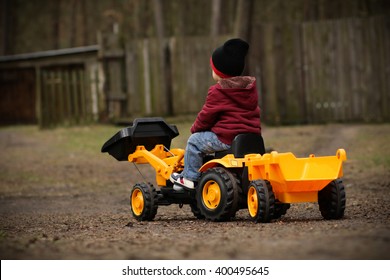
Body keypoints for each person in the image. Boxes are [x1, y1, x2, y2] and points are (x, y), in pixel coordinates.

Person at [170, 38, 261, 190]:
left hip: (227, 138)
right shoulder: (249, 88)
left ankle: (189, 178)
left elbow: (206, 116)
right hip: (250, 136)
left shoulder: (218, 91)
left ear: (219, 73)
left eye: (213, 68)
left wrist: (195, 129)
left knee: (194, 141)